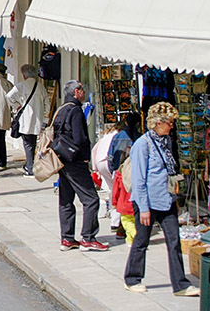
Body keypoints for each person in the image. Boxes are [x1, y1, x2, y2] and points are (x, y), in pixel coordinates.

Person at [123, 102, 199, 296]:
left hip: (167, 199)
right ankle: (132, 278)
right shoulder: (142, 144)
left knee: (174, 241)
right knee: (142, 240)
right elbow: (139, 178)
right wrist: (144, 207)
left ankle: (180, 284)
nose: (172, 126)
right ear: (157, 123)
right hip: (147, 201)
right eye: (170, 122)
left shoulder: (167, 142)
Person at [53, 80, 107, 252]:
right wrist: (85, 157)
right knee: (91, 199)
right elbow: (80, 138)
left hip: (63, 160)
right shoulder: (75, 110)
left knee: (66, 200)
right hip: (75, 161)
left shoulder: (61, 110)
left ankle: (67, 238)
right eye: (82, 89)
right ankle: (88, 238)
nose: (83, 93)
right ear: (76, 92)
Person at [6, 64, 50, 177]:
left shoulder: (21, 86)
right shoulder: (40, 87)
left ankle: (30, 167)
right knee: (33, 143)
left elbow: (9, 96)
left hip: (25, 119)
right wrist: (45, 118)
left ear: (24, 75)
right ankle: (30, 164)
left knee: (28, 144)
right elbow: (47, 105)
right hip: (37, 119)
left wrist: (17, 106)